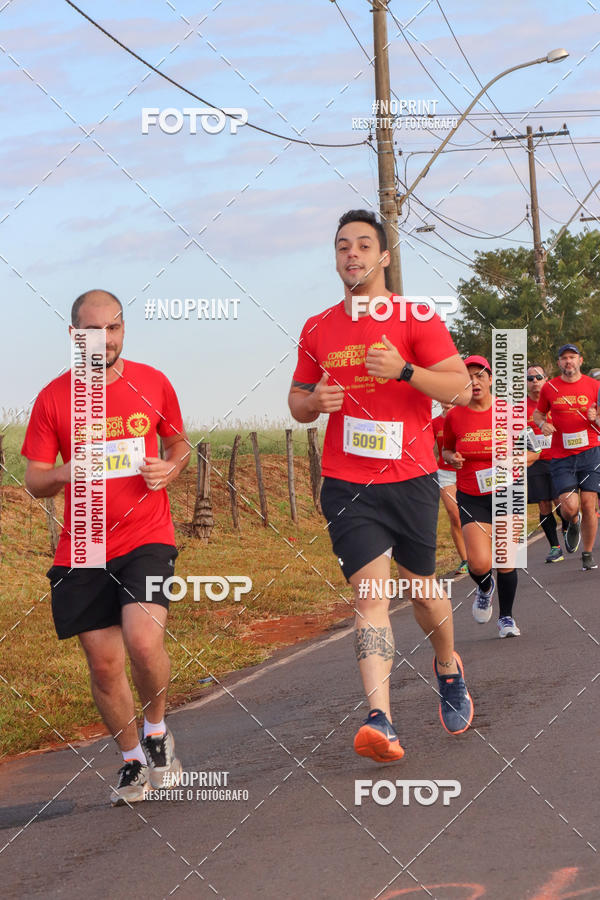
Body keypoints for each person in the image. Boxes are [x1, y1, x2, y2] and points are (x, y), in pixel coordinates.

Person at [288, 209, 474, 764]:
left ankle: (447, 665)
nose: (352, 255)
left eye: (364, 246)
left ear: (384, 257)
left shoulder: (416, 316)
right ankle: (381, 719)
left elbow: (461, 390)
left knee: (422, 591)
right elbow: (297, 401)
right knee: (369, 598)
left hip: (412, 475)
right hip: (348, 479)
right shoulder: (318, 327)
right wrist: (311, 405)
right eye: (343, 245)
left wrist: (404, 372)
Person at [21, 290, 190, 805]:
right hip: (84, 543)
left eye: (114, 328)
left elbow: (178, 444)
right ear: (76, 337)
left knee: (143, 641)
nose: (107, 339)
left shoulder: (154, 382)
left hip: (146, 535)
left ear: (123, 329)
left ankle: (157, 733)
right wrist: (65, 473)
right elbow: (33, 479)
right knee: (104, 664)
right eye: (94, 331)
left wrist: (171, 468)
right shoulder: (53, 399)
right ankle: (132, 762)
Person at [443, 356, 521, 638]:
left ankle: (507, 618)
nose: (474, 381)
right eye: (468, 377)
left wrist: (522, 458)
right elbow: (446, 451)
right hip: (472, 493)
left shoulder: (508, 412)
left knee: (506, 557)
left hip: (507, 491)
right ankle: (485, 587)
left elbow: (532, 446)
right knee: (478, 563)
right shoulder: (454, 415)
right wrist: (452, 457)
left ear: (490, 378)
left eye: (479, 375)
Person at [533, 343, 600, 570]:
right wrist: (542, 424)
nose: (568, 361)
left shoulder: (595, 386)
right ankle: (572, 521)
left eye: (572, 357)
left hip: (590, 452)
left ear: (580, 360)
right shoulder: (550, 388)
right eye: (564, 358)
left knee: (589, 503)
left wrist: (595, 418)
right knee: (569, 506)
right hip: (562, 456)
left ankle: (588, 554)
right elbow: (538, 413)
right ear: (559, 363)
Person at [526, 364, 565, 563]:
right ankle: (554, 547)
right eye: (530, 378)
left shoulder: (556, 400)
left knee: (562, 502)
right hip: (536, 461)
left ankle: (568, 526)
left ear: (546, 379)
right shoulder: (521, 408)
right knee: (543, 503)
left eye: (538, 377)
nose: (534, 382)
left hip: (559, 457)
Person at [432, 403, 468, 575]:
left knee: (475, 514)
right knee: (455, 516)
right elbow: (427, 449)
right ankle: (465, 559)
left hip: (468, 471)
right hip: (446, 474)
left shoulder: (466, 417)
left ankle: (482, 550)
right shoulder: (434, 422)